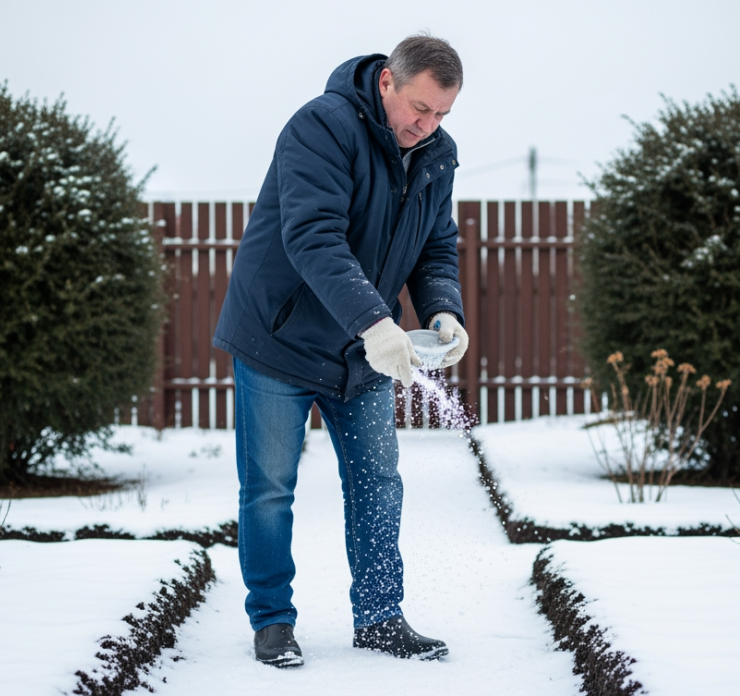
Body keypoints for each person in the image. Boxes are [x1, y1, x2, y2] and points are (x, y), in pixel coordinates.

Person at [212, 34, 470, 668]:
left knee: (380, 483)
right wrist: (376, 322)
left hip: (364, 350)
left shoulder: (437, 154)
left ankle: (381, 616)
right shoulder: (321, 127)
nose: (427, 125)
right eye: (419, 108)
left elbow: (437, 245)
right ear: (386, 81)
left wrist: (442, 309)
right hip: (280, 338)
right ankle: (272, 621)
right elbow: (314, 236)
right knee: (270, 488)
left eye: (442, 114)